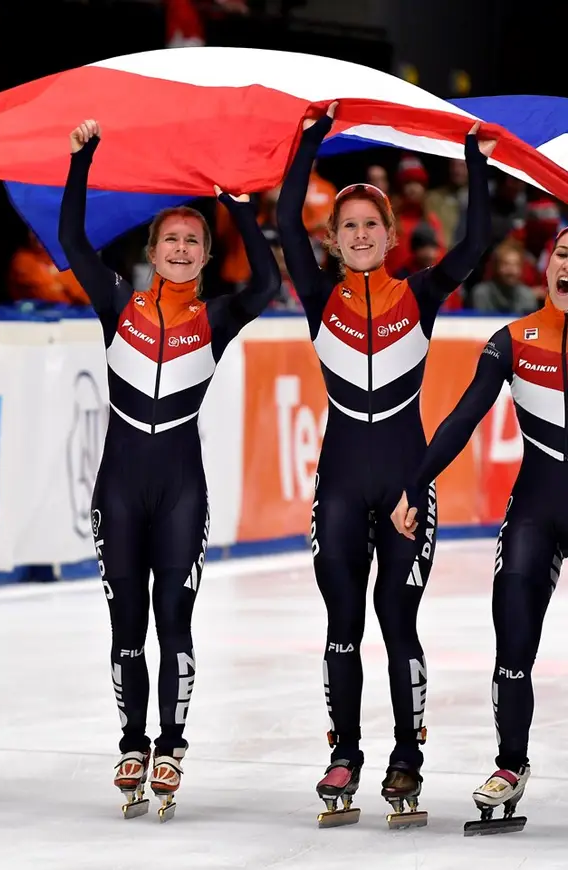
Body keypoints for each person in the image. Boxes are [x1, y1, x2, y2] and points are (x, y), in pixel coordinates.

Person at [276, 101, 495, 827]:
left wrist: (474, 157)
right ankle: (346, 754)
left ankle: (408, 755)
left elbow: (474, 245)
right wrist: (310, 141)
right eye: (349, 227)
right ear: (333, 241)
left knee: (397, 621)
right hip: (340, 481)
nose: (361, 234)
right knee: (343, 623)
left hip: (406, 480)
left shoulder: (420, 294)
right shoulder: (318, 296)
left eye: (372, 224)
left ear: (392, 234)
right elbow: (282, 221)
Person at [59, 119, 281, 820]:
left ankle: (172, 743)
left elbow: (269, 282)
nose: (181, 249)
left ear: (206, 258)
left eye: (193, 241)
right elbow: (71, 242)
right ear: (152, 252)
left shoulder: (217, 316)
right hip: (119, 488)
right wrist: (81, 160)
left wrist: (241, 206)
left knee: (173, 621)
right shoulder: (119, 303)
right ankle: (132, 741)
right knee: (127, 624)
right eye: (171, 240)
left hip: (181, 489)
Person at [391, 228, 568, 834]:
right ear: (547, 267)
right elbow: (463, 418)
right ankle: (510, 763)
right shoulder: (514, 340)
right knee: (512, 624)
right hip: (538, 506)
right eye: (564, 255)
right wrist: (416, 482)